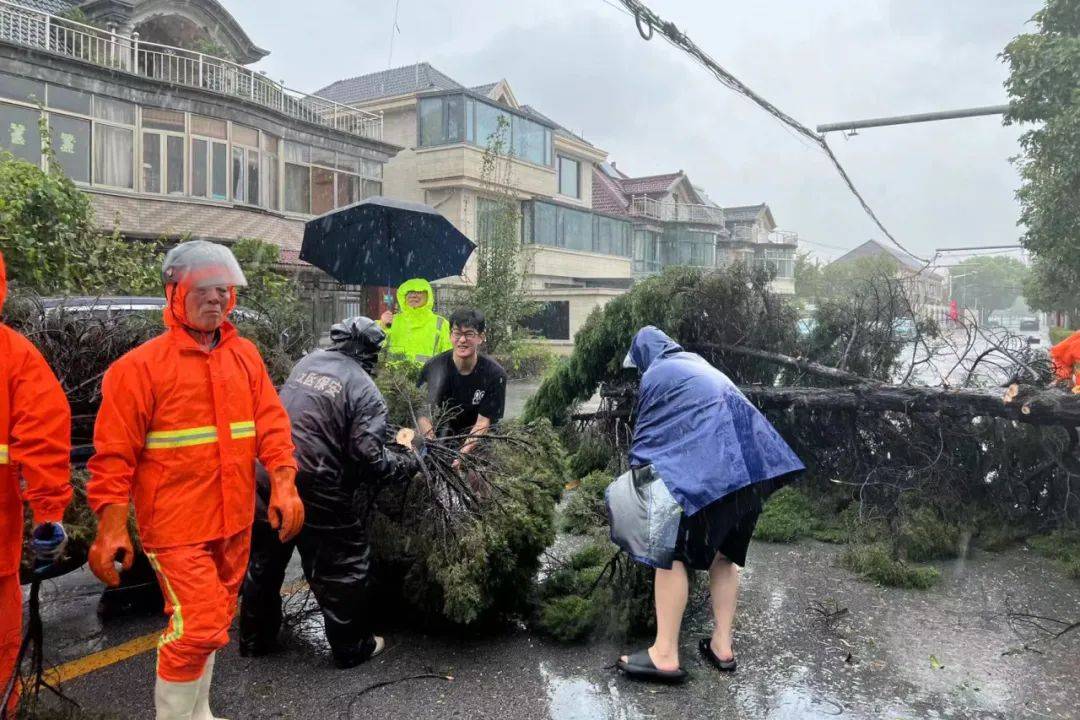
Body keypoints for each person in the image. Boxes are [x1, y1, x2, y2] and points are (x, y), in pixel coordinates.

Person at [86, 240, 303, 720]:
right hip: (176, 526)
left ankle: (198, 712)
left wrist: (284, 483)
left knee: (215, 620)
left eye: (223, 290)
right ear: (174, 293)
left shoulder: (244, 357)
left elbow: (272, 426)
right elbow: (113, 457)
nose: (215, 299)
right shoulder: (139, 369)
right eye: (202, 290)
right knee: (199, 624)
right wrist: (111, 526)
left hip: (233, 520)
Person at [614, 326, 804, 684]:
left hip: (721, 472)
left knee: (669, 552)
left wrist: (637, 484)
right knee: (723, 556)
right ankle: (722, 646)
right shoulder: (695, 363)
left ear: (643, 355)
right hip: (753, 467)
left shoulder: (656, 373)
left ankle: (665, 655)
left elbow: (649, 436)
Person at [239, 317, 419, 668]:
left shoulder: (307, 362)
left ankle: (254, 639)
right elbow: (370, 459)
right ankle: (352, 647)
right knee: (342, 563)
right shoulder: (365, 389)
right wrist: (409, 461)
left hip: (269, 474)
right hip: (316, 483)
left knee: (264, 560)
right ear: (371, 354)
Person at [0, 250, 72, 717]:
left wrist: (48, 511)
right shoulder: (12, 355)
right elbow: (44, 436)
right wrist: (48, 517)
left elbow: (43, 433)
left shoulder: (14, 356)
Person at [417, 308, 507, 459]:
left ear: (481, 337)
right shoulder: (433, 368)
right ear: (450, 336)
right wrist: (432, 445)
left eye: (469, 334)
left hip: (480, 439)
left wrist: (462, 455)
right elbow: (422, 413)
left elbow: (482, 423)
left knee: (475, 476)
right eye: (457, 334)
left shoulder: (495, 374)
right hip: (442, 434)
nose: (462, 340)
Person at [379, 278, 452, 364]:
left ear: (428, 295)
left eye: (419, 292)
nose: (413, 295)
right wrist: (382, 327)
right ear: (403, 296)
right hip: (392, 377)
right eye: (409, 292)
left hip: (428, 377)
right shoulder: (390, 321)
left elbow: (449, 358)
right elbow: (373, 349)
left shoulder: (441, 324)